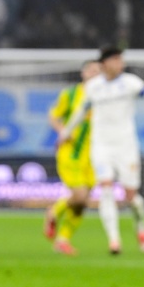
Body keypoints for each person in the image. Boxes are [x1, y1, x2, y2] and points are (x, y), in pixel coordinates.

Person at [60, 46, 144, 255]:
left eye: (121, 60)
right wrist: (65, 133)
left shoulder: (130, 83)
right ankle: (114, 241)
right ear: (105, 63)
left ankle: (141, 227)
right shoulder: (93, 87)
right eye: (116, 60)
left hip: (126, 146)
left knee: (131, 197)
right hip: (101, 146)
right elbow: (80, 112)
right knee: (106, 188)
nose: (121, 64)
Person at [43, 60, 102, 255]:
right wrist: (63, 132)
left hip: (94, 157)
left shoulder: (105, 96)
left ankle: (63, 240)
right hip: (71, 153)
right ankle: (54, 211)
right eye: (91, 70)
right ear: (83, 73)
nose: (95, 74)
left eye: (99, 71)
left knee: (82, 202)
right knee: (80, 195)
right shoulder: (70, 95)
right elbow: (53, 116)